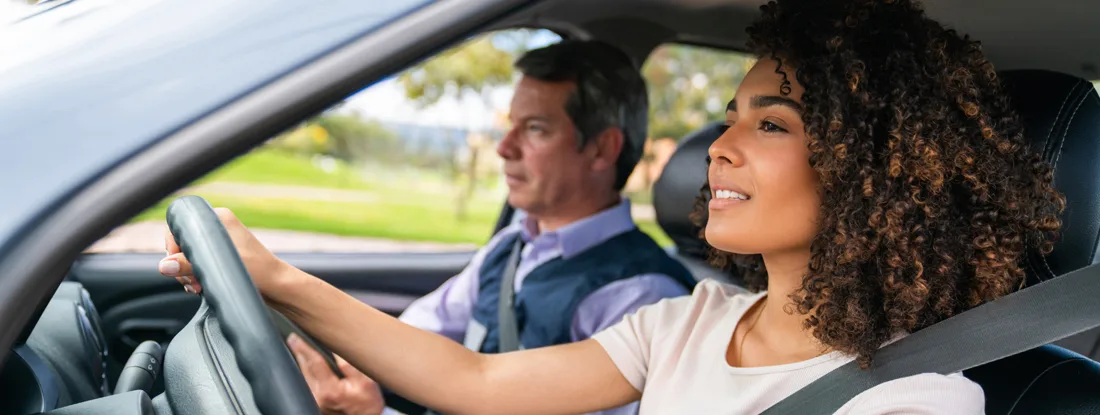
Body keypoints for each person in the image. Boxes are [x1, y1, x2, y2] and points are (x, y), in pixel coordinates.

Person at [159, 0, 1067, 413]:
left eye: (774, 123)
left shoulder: (912, 401)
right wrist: (274, 277)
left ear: (871, 171)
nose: (719, 145)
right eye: (729, 114)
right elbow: (472, 383)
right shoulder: (687, 322)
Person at [160, 39, 696, 415]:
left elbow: (474, 384)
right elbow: (408, 340)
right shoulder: (514, 246)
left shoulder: (640, 296)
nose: (504, 148)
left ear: (602, 148)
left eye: (534, 129)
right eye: (510, 126)